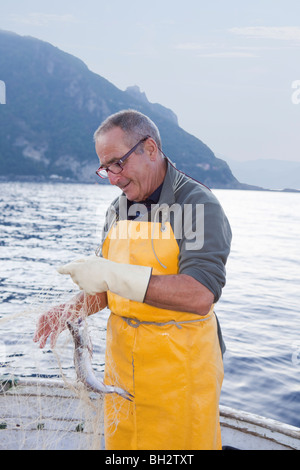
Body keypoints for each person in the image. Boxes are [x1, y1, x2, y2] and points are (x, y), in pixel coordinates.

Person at [34, 109, 232, 450]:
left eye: (118, 163)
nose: (112, 177)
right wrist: (68, 309)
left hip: (180, 375)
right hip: (122, 371)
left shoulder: (197, 205)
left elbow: (200, 294)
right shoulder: (117, 209)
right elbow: (108, 289)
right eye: (104, 168)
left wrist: (110, 273)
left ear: (150, 149)